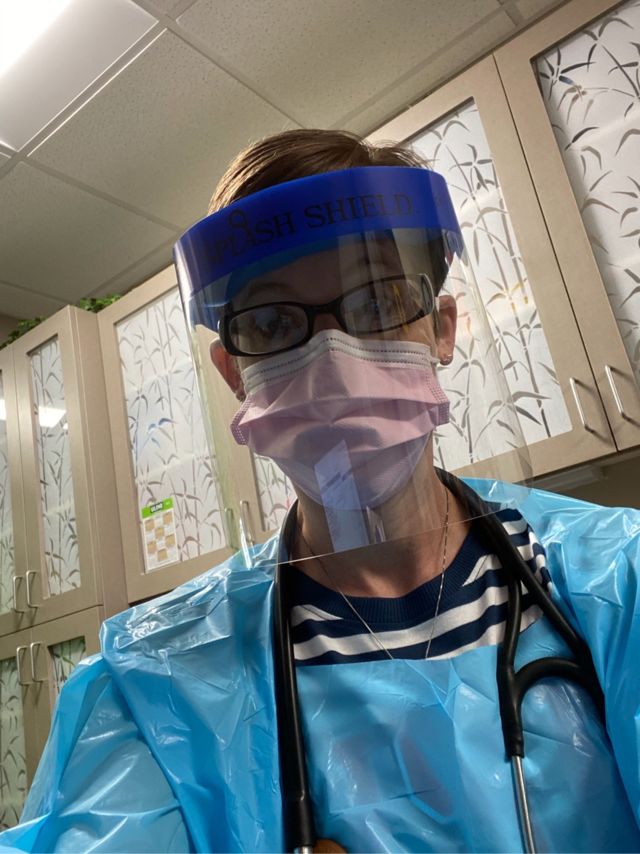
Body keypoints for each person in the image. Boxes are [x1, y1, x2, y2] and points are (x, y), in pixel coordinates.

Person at [1, 129, 640, 854]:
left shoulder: (616, 578)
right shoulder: (155, 681)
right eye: (273, 323)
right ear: (236, 373)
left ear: (441, 329)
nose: (332, 355)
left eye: (379, 300)